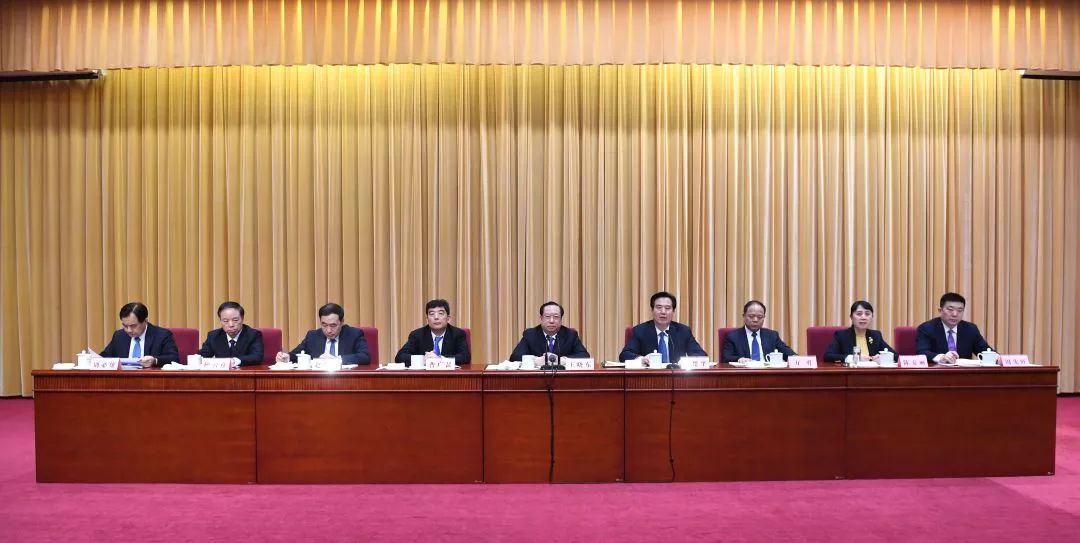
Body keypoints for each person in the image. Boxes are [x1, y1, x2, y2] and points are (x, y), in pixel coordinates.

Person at [619, 291, 706, 363]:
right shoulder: (640, 331)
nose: (663, 312)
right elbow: (625, 355)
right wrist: (642, 359)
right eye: (659, 307)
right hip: (649, 376)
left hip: (677, 376)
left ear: (673, 311)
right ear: (652, 310)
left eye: (667, 308)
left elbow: (701, 355)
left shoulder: (683, 331)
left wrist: (686, 361)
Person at [275, 303, 371, 365]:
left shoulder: (354, 334)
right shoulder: (312, 336)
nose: (328, 330)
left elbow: (365, 357)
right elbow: (297, 354)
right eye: (324, 325)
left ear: (342, 322)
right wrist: (287, 357)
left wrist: (337, 360)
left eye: (333, 325)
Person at [916, 292, 993, 363]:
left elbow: (985, 351)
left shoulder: (970, 329)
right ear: (940, 311)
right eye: (950, 309)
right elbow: (922, 352)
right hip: (937, 371)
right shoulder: (927, 328)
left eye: (960, 310)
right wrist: (941, 357)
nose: (955, 314)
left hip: (964, 372)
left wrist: (997, 358)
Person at [99, 302, 179, 368]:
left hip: (149, 379)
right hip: (123, 379)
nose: (129, 330)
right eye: (125, 326)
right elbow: (104, 357)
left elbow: (174, 358)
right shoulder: (119, 336)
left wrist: (154, 360)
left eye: (133, 326)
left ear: (145, 321)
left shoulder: (161, 335)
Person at [394, 299, 471, 366]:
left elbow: (465, 357)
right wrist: (423, 359)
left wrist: (440, 359)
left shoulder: (457, 334)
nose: (436, 317)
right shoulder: (417, 335)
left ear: (448, 318)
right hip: (424, 377)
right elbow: (400, 357)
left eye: (440, 313)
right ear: (427, 318)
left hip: (450, 377)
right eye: (431, 314)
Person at [509, 301, 591, 361]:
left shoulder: (570, 335)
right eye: (547, 316)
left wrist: (562, 360)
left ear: (561, 319)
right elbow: (515, 357)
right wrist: (536, 360)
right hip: (538, 377)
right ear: (541, 318)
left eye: (556, 317)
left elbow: (584, 355)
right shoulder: (530, 334)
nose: (551, 321)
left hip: (563, 377)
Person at [722, 300, 797, 362]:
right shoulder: (733, 336)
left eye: (760, 317)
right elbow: (726, 357)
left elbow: (787, 353)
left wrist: (796, 358)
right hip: (745, 373)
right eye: (751, 316)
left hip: (768, 373)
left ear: (764, 317)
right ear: (744, 316)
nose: (755, 320)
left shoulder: (772, 335)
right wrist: (739, 359)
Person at [823, 300, 895, 363]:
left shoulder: (876, 335)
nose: (863, 317)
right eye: (859, 314)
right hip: (850, 373)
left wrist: (883, 358)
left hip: (872, 373)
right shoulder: (842, 335)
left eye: (867, 314)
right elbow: (828, 356)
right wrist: (854, 358)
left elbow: (896, 356)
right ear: (851, 317)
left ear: (872, 317)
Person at [198, 301, 264, 366]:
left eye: (235, 320)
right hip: (222, 373)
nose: (231, 324)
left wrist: (235, 361)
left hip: (245, 372)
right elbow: (202, 356)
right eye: (225, 321)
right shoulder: (213, 336)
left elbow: (257, 356)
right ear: (220, 321)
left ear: (242, 319)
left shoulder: (253, 335)